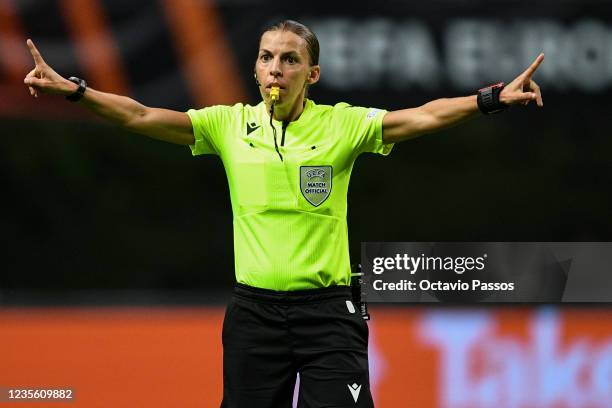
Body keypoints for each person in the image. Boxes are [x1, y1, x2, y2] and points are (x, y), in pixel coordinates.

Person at [23, 20, 544, 407]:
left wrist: (492, 98)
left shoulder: (341, 126)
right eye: (267, 56)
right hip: (254, 317)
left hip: (328, 316)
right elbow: (138, 114)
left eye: (290, 59)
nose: (276, 68)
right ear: (254, 67)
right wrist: (75, 90)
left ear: (311, 73)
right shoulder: (227, 125)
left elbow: (423, 115)